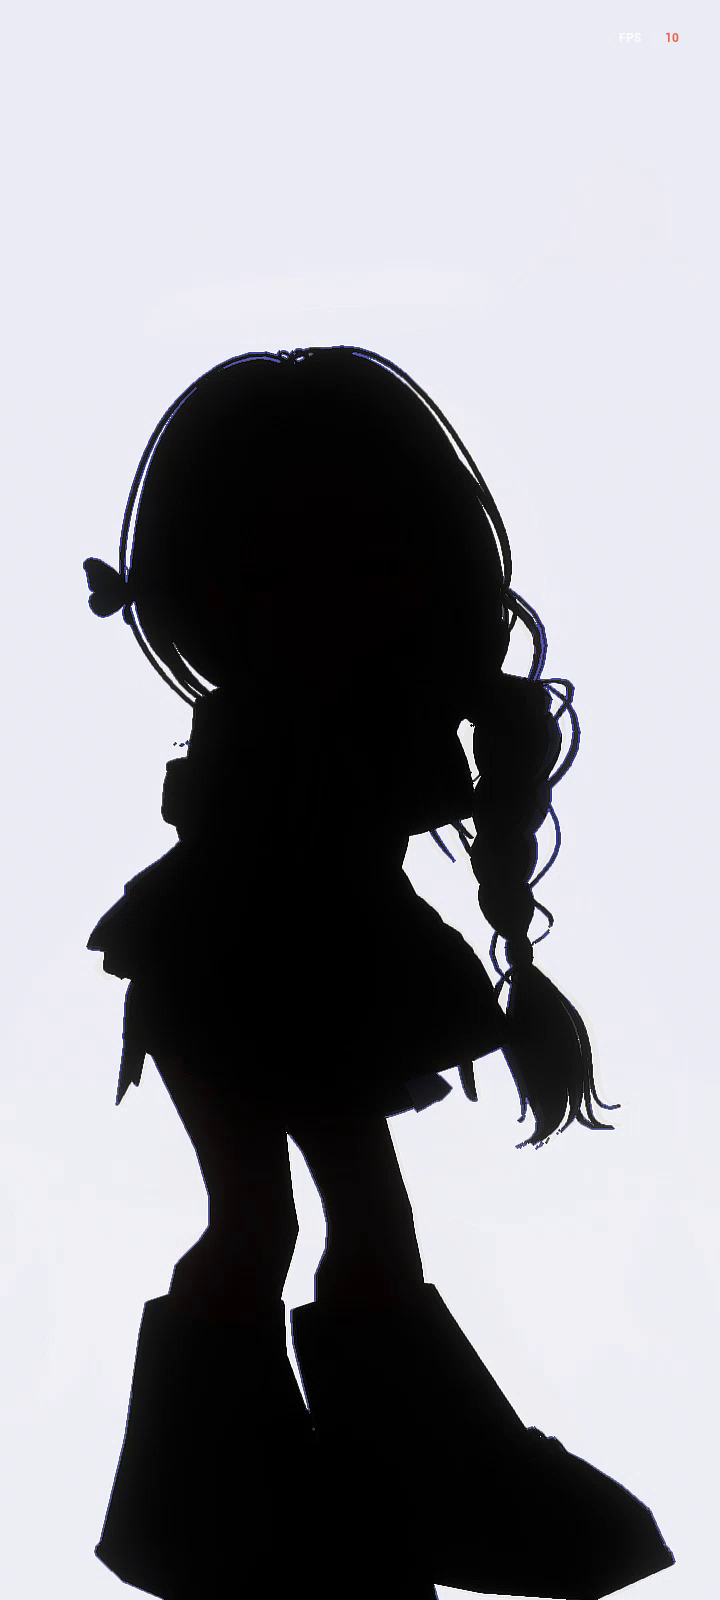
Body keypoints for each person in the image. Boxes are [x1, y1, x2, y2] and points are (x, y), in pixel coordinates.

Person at [85, 346, 674, 1599]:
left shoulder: (371, 710)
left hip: (311, 963)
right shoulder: (294, 717)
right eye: (272, 566)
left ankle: (327, 1488)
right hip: (236, 964)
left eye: (357, 558)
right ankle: (233, 1501)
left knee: (318, 1218)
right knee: (268, 1217)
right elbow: (274, 830)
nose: (315, 595)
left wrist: (502, 920)